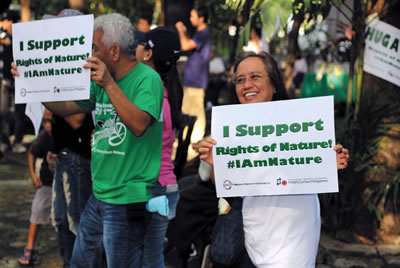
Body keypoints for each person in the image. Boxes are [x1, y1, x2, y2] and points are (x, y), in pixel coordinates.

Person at [33, 13, 163, 267]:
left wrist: (109, 84)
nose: (89, 54)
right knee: (80, 262)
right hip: (101, 193)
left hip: (127, 197)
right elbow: (66, 106)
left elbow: (138, 125)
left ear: (114, 51)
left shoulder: (148, 80)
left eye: (94, 48)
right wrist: (32, 84)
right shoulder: (100, 83)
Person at [198, 52, 350, 267]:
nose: (247, 85)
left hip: (295, 231)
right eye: (240, 80)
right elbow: (224, 186)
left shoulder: (302, 120)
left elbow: (317, 164)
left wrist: (330, 161)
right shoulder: (228, 130)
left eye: (255, 76)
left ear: (274, 84)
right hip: (254, 231)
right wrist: (216, 163)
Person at [135, 26, 182, 268]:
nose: (135, 47)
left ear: (147, 54)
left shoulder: (152, 97)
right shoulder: (165, 92)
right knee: (151, 258)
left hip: (154, 188)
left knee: (148, 260)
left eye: (140, 44)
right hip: (165, 185)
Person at [17, 109, 57, 266]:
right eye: (44, 122)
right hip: (47, 182)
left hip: (65, 183)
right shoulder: (44, 137)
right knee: (37, 211)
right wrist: (33, 175)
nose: (48, 126)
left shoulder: (66, 135)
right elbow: (31, 153)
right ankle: (29, 247)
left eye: (50, 121)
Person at [175, 6, 211, 145]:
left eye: (193, 16)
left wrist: (180, 31)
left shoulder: (203, 33)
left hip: (196, 80)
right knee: (188, 109)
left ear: (201, 18)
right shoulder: (199, 34)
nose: (191, 19)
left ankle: (195, 140)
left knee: (196, 111)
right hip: (192, 80)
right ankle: (187, 138)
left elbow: (185, 45)